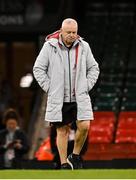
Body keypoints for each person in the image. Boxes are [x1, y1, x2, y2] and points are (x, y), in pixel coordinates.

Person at [33, 18, 99, 169]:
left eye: (74, 32)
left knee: (84, 126)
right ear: (61, 31)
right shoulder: (50, 46)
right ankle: (63, 163)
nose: (72, 35)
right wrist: (50, 88)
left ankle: (75, 155)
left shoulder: (84, 46)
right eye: (68, 32)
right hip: (59, 98)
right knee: (62, 131)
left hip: (79, 96)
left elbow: (94, 68)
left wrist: (86, 85)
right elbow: (38, 69)